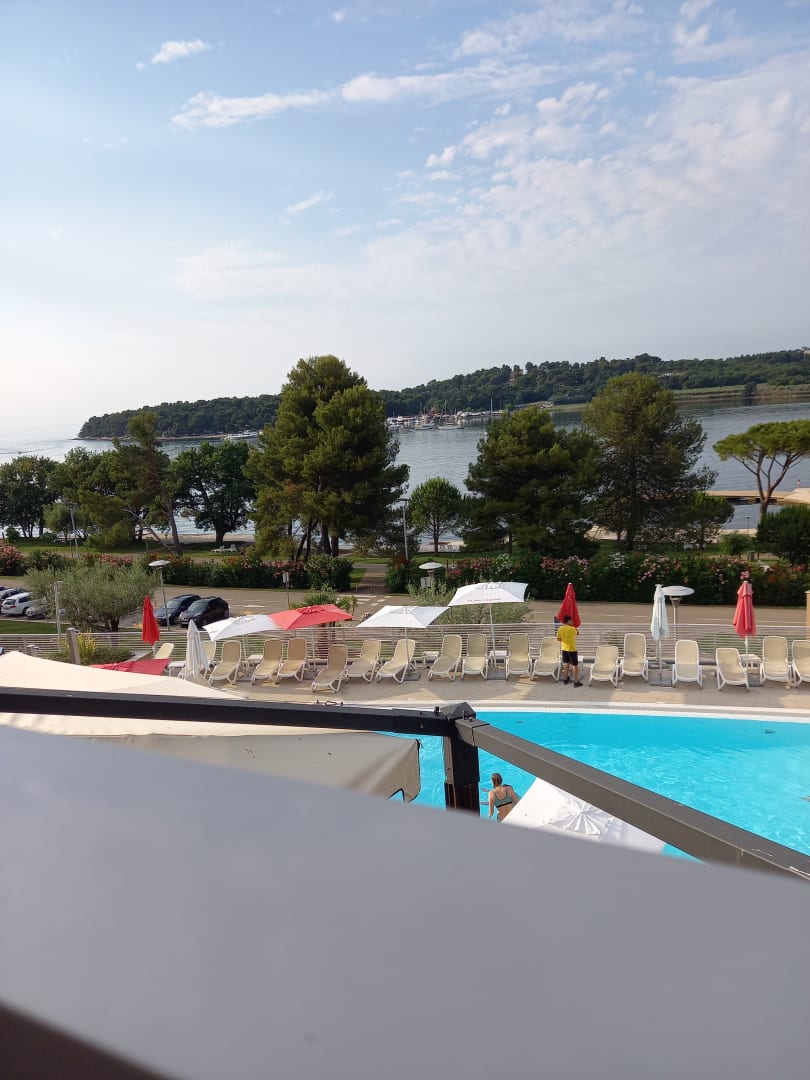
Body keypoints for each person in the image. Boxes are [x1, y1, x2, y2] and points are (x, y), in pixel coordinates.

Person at [556, 614, 582, 686]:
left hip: (564, 649)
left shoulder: (560, 628)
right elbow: (578, 633)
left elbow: (558, 639)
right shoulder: (572, 628)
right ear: (569, 621)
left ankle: (565, 679)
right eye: (571, 620)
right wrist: (574, 626)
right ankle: (576, 682)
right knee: (574, 665)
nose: (572, 622)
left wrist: (564, 640)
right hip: (572, 649)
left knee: (566, 664)